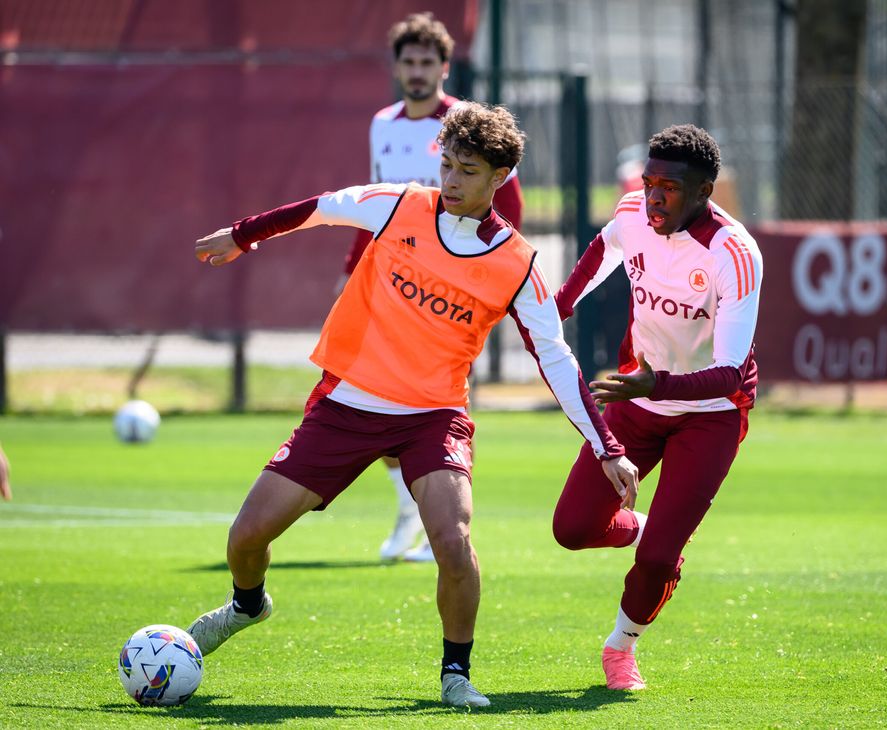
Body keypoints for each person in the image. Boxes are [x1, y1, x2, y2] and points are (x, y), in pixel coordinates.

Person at [190, 102, 638, 708]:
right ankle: (247, 604)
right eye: (447, 165)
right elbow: (323, 208)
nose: (451, 181)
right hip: (347, 404)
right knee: (246, 538)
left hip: (434, 417)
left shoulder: (517, 264)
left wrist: (605, 446)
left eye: (468, 171)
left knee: (452, 543)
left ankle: (456, 674)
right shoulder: (401, 204)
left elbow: (555, 358)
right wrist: (244, 236)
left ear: (500, 178)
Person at [551, 125, 762, 691]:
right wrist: (561, 304)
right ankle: (645, 527)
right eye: (648, 183)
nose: (652, 198)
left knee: (660, 558)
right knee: (571, 529)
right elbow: (606, 247)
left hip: (710, 412)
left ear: (704, 192)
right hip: (639, 397)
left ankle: (621, 648)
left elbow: (731, 372)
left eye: (668, 187)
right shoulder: (633, 213)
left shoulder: (735, 254)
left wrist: (654, 385)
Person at [338, 12, 525, 564]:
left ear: (444, 66)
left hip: (450, 290)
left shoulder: (466, 124)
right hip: (388, 284)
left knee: (438, 404)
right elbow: (375, 207)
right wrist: (352, 273)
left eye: (428, 61)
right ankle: (409, 512)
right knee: (372, 392)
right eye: (408, 61)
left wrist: (499, 275)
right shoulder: (382, 123)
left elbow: (506, 204)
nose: (417, 71)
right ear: (397, 67)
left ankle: (448, 525)